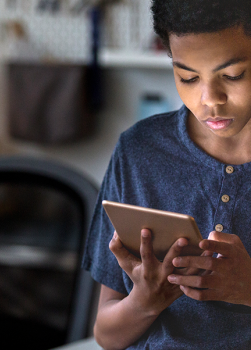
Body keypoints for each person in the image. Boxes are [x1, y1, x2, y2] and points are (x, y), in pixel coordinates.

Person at [82, 0, 251, 349]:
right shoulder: (139, 151)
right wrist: (144, 302)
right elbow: (105, 335)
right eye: (187, 77)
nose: (209, 99)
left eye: (233, 75)